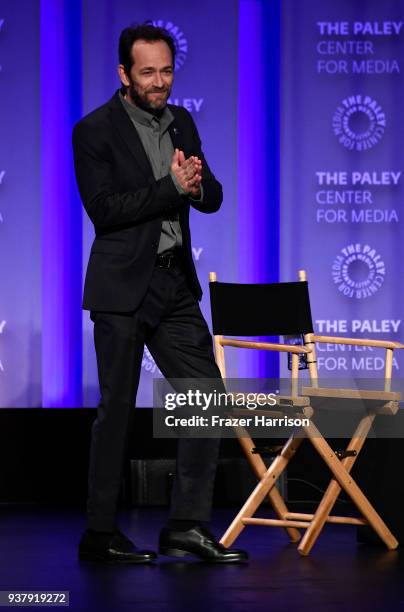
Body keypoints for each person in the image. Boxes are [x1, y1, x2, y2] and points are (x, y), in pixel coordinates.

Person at [72, 23, 247, 564]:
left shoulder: (182, 122)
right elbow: (105, 210)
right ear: (124, 73)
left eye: (166, 70)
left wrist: (195, 185)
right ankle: (100, 534)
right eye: (147, 72)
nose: (159, 81)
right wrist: (169, 188)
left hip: (172, 283)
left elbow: (211, 197)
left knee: (206, 400)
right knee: (118, 409)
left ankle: (187, 525)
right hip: (122, 284)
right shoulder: (94, 130)